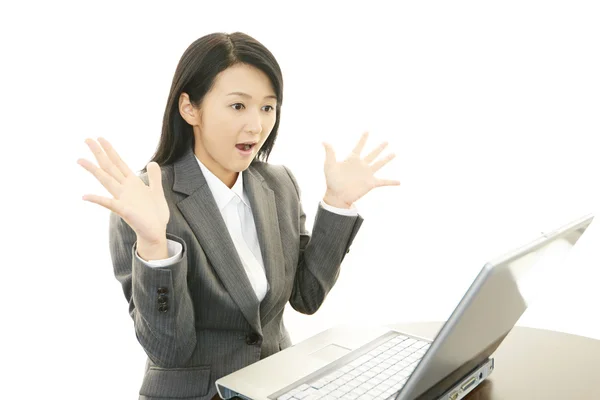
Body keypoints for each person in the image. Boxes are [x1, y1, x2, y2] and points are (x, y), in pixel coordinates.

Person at [77, 31, 400, 400]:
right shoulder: (145, 201)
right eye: (238, 106)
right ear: (190, 109)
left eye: (267, 107)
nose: (256, 126)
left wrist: (337, 203)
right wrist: (154, 245)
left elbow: (306, 297)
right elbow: (168, 350)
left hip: (277, 388)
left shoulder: (278, 183)